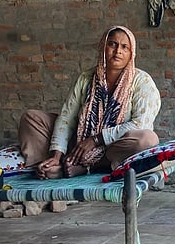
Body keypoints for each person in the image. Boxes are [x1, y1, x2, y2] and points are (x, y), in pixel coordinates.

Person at [19, 25, 161, 179]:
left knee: (147, 139)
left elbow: (140, 124)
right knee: (31, 118)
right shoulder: (86, 78)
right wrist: (56, 155)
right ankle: (50, 166)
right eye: (112, 44)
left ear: (131, 53)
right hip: (79, 142)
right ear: (103, 47)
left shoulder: (142, 82)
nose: (118, 51)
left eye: (124, 47)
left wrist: (96, 140)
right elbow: (67, 118)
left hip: (113, 149)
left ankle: (89, 167)